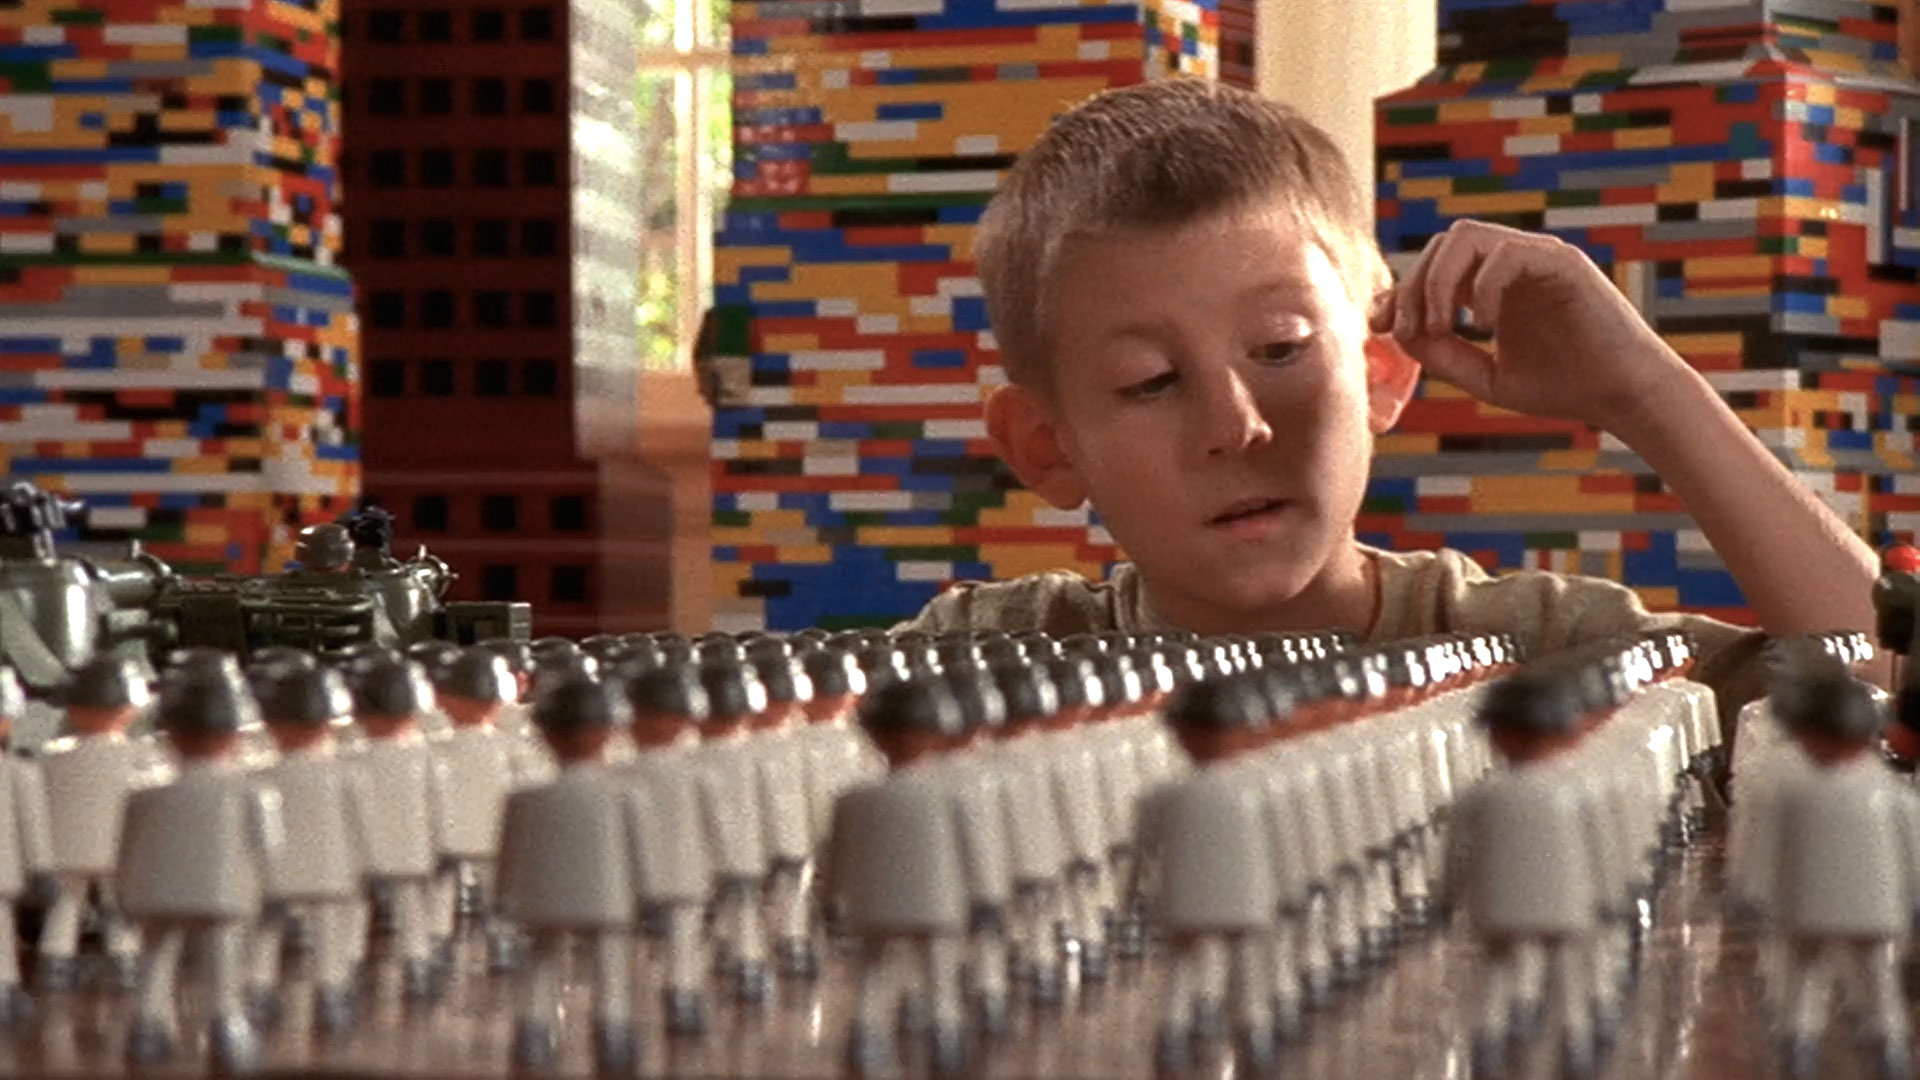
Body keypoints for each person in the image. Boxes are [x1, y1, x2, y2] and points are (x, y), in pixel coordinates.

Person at [895, 78, 1884, 725]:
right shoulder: (986, 668)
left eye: (1280, 349)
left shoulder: (1538, 655)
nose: (1236, 424)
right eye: (1151, 381)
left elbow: (1885, 693)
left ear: (1381, 369)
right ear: (1047, 445)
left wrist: (1650, 393)